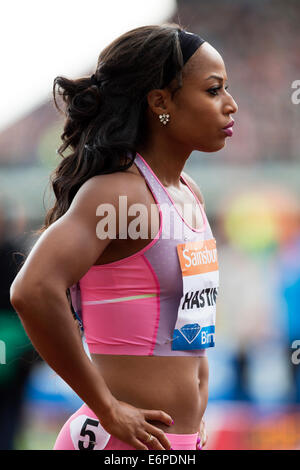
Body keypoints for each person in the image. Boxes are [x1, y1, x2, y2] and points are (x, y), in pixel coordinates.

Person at [10, 23, 238, 451]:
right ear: (161, 102)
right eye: (213, 90)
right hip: (119, 444)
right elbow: (33, 289)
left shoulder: (189, 192)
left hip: (178, 443)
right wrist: (108, 408)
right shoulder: (119, 193)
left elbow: (189, 326)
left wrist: (196, 409)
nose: (231, 105)